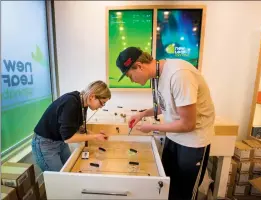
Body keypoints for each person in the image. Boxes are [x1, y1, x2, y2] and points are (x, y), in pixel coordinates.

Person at [115, 47, 215, 200]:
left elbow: (188, 124)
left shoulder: (179, 75)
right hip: (174, 137)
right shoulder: (158, 76)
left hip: (193, 142)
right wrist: (142, 114)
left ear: (140, 66)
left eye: (130, 76)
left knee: (184, 192)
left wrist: (151, 127)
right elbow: (166, 105)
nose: (132, 80)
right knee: (168, 186)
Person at [32, 80, 111, 172]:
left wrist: (96, 135)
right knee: (59, 179)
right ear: (92, 97)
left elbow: (77, 128)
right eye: (102, 102)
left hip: (60, 141)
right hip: (46, 144)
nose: (102, 106)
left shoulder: (82, 102)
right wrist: (94, 136)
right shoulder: (71, 102)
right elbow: (68, 138)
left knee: (69, 171)